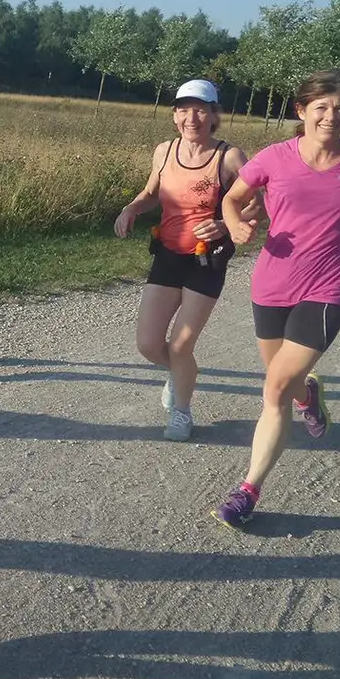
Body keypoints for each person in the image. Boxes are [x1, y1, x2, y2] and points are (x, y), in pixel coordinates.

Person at [211, 68, 340, 528]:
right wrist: (234, 225)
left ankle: (248, 490)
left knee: (273, 389)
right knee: (286, 383)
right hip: (272, 283)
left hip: (328, 287)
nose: (331, 116)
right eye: (322, 107)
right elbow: (232, 199)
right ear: (302, 111)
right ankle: (308, 393)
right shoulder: (273, 158)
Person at [114, 78, 253, 441]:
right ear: (175, 115)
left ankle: (181, 411)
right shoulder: (164, 151)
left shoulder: (230, 157)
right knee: (148, 345)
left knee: (180, 345)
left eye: (200, 109)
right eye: (184, 109)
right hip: (168, 254)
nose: (191, 117)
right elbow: (149, 193)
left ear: (213, 115)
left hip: (207, 259)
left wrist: (226, 223)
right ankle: (180, 373)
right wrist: (132, 208)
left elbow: (260, 201)